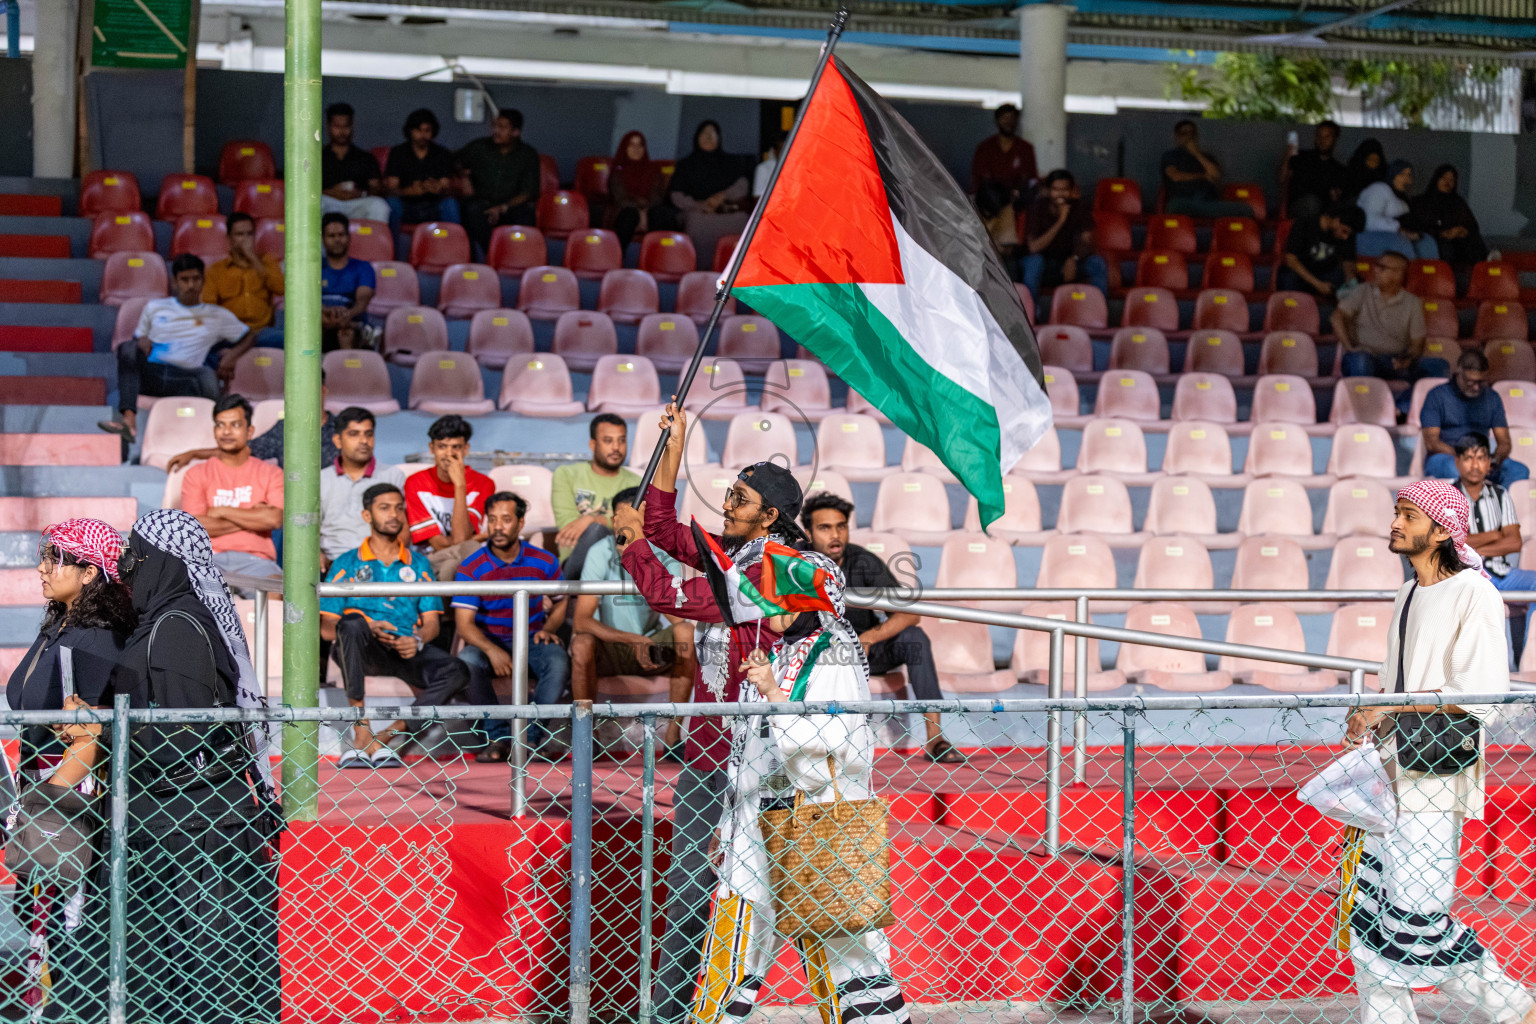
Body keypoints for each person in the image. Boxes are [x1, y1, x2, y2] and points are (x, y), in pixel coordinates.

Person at [609, 402, 803, 1024]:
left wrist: (629, 545)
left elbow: (669, 590)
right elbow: (667, 532)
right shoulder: (735, 555)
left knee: (780, 900)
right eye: (729, 492)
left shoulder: (774, 572)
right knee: (693, 888)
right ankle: (671, 1014)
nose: (728, 503)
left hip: (764, 761)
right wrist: (676, 444)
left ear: (770, 516)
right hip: (707, 752)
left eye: (740, 499)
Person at [58, 509, 279, 1024]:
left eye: (137, 555)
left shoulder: (176, 627)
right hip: (170, 823)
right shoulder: (158, 622)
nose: (128, 566)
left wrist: (97, 726)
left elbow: (177, 742)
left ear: (166, 563)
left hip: (196, 831)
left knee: (207, 976)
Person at [1345, 480, 1534, 1024]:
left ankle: (1512, 1005)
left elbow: (1482, 696)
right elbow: (1396, 684)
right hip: (1384, 777)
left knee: (1416, 918)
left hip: (1435, 779)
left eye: (1408, 515)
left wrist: (1392, 710)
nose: (1395, 523)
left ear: (1443, 529)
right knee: (1370, 918)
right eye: (1395, 513)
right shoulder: (1406, 595)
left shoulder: (1475, 593)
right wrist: (1371, 715)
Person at [693, 558, 911, 1024]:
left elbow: (831, 750)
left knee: (847, 955)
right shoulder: (779, 652)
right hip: (755, 824)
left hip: (817, 822)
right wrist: (729, 821)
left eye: (775, 595)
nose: (763, 604)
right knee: (734, 947)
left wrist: (773, 693)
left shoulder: (836, 654)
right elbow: (749, 748)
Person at [5, 519, 134, 1011]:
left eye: (55, 559)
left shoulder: (96, 638)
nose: (41, 568)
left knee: (65, 921)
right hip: (43, 790)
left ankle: (71, 1011)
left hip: (66, 800)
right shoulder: (61, 624)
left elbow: (89, 742)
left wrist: (41, 804)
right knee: (42, 919)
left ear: (88, 573)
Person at [798, 492, 962, 763]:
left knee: (915, 638)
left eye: (841, 526)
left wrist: (870, 636)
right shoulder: (797, 561)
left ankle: (935, 739)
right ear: (809, 532)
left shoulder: (863, 561)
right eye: (825, 528)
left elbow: (909, 615)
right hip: (817, 654)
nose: (835, 535)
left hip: (864, 650)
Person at [321, 483, 468, 766]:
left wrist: (417, 641)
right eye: (384, 508)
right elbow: (328, 628)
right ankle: (361, 729)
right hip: (362, 651)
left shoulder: (419, 564)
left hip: (405, 650)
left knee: (458, 669)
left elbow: (432, 625)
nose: (394, 515)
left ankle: (388, 734)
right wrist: (368, 625)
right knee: (351, 623)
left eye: (399, 508)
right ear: (367, 515)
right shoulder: (347, 562)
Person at [570, 485, 694, 754]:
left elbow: (677, 616)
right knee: (581, 643)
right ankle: (586, 738)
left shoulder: (662, 554)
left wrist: (643, 562)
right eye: (619, 517)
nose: (623, 525)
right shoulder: (599, 551)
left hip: (650, 648)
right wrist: (633, 639)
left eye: (631, 518)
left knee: (685, 633)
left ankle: (673, 738)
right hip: (614, 647)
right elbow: (582, 621)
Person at [452, 491, 569, 763]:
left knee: (557, 659)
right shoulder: (472, 567)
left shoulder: (544, 561)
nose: (497, 527)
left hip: (531, 640)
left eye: (505, 519)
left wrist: (549, 627)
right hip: (489, 641)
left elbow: (562, 601)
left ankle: (529, 739)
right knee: (467, 659)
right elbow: (465, 626)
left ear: (520, 522)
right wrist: (492, 650)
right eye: (491, 520)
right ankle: (497, 738)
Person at [100, 254, 252, 444]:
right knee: (128, 348)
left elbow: (249, 336)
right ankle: (128, 423)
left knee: (207, 374)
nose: (191, 285)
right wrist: (142, 342)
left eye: (196, 279)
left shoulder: (218, 316)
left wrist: (232, 356)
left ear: (203, 281)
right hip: (152, 375)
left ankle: (217, 437)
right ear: (175, 282)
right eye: (185, 280)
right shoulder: (155, 307)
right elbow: (138, 343)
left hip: (186, 379)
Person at [179, 394, 284, 580]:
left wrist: (220, 510)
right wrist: (253, 516)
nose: (226, 431)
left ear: (250, 431)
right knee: (184, 587)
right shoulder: (196, 474)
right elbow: (196, 526)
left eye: (235, 425)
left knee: (276, 589)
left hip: (258, 561)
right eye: (220, 425)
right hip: (208, 559)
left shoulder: (271, 473)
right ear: (214, 430)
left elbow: (274, 518)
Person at [1453, 431, 1536, 663]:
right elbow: (1454, 544)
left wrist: (1474, 544)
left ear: (1489, 462)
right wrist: (1495, 534)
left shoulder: (1501, 494)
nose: (1475, 465)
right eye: (1468, 458)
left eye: (1481, 458)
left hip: (1502, 574)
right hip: (1466, 576)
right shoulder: (1449, 496)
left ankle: (1530, 658)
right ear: (1457, 461)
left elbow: (1514, 542)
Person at [1331, 251, 1447, 410]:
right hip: (1365, 356)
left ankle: (1400, 408)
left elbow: (1417, 344)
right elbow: (1337, 317)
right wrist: (1349, 347)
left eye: (1382, 267)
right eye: (1377, 266)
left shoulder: (1412, 303)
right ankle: (1367, 412)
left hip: (1394, 361)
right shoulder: (1363, 290)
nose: (1376, 271)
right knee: (1360, 360)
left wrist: (1408, 357)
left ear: (1398, 273)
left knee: (1439, 365)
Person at [165, 376, 338, 473]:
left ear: (323, 390)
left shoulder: (344, 428)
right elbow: (243, 451)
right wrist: (195, 453)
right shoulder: (285, 429)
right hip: (292, 507)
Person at [405, 414, 495, 586]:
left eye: (456, 447)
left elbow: (461, 540)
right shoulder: (415, 483)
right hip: (431, 559)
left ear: (466, 449)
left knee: (457, 564)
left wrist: (459, 486)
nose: (449, 454)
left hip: (466, 559)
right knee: (462, 558)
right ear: (431, 448)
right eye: (442, 447)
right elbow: (441, 544)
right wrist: (481, 537)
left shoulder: (484, 484)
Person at [1422, 350, 1529, 485]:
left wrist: (1493, 460)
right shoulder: (1437, 396)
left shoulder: (1492, 398)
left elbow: (1504, 442)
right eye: (1470, 382)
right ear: (1458, 372)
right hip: (1447, 457)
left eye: (1481, 382)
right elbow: (1432, 442)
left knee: (1519, 470)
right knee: (1458, 470)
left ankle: (1500, 504)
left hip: (1482, 458)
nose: (1477, 387)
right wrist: (1467, 459)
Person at [553, 413, 641, 576]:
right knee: (595, 531)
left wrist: (593, 519)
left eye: (621, 440)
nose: (616, 447)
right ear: (592, 444)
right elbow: (568, 527)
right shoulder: (566, 474)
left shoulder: (638, 482)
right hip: (576, 564)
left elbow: (641, 525)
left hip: (622, 563)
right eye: (608, 440)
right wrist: (610, 524)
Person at [319, 406, 406, 566]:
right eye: (354, 434)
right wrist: (316, 553)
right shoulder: (320, 479)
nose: (364, 441)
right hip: (331, 562)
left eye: (369, 434)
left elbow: (403, 530)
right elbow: (307, 528)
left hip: (379, 562)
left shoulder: (393, 476)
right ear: (338, 441)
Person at [457, 109, 541, 259]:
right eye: (495, 126)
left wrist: (503, 207)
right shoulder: (479, 147)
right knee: (471, 211)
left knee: (525, 216)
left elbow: (529, 192)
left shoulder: (528, 155)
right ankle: (492, 255)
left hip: (511, 206)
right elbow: (454, 160)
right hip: (482, 203)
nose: (496, 131)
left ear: (515, 131)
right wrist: (464, 177)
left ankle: (518, 260)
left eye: (502, 127)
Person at [668, 121, 750, 272]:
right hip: (695, 211)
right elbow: (676, 195)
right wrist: (700, 205)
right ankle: (700, 272)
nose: (708, 136)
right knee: (696, 222)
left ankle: (733, 272)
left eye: (712, 133)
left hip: (724, 210)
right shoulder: (685, 164)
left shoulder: (732, 162)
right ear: (696, 137)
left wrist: (722, 196)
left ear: (719, 138)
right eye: (704, 133)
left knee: (743, 220)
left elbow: (742, 185)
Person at [1021, 169, 1107, 305]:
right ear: (1049, 190)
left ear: (1071, 190)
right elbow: (1034, 247)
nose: (1060, 194)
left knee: (1097, 263)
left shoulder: (1079, 207)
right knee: (1034, 262)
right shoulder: (1037, 208)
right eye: (1056, 189)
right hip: (1045, 265)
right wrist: (1061, 220)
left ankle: (1098, 310)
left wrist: (1074, 258)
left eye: (1065, 189)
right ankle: (1031, 312)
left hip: (1069, 262)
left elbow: (1088, 241)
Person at [202, 212, 285, 333]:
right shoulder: (216, 270)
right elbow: (210, 308)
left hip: (262, 331)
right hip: (232, 333)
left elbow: (280, 289)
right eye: (240, 234)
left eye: (250, 234)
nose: (246, 239)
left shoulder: (267, 261)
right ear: (229, 238)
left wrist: (254, 260)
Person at [384, 107, 460, 232]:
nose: (423, 135)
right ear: (410, 131)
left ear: (433, 131)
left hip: (433, 206)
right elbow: (391, 188)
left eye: (427, 130)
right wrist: (410, 191)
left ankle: (451, 249)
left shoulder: (442, 153)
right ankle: (392, 250)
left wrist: (438, 188)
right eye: (418, 130)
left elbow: (446, 186)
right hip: (406, 206)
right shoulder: (398, 153)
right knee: (391, 204)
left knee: (450, 205)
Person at [1159, 120, 1253, 220]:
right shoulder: (1171, 155)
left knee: (1245, 209)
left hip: (1208, 201)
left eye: (1192, 133)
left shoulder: (1207, 157)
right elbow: (1175, 176)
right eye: (1184, 133)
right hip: (1184, 200)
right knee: (1176, 206)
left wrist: (1196, 153)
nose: (1189, 137)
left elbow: (1215, 175)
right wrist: (1203, 176)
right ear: (1177, 137)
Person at [321, 101, 392, 225]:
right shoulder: (317, 156)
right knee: (311, 203)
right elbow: (306, 190)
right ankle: (314, 244)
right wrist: (333, 192)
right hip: (329, 202)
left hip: (356, 203)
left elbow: (376, 189)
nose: (342, 131)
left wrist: (361, 193)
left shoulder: (365, 157)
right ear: (328, 126)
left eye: (346, 126)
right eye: (337, 126)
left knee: (379, 206)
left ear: (352, 126)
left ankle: (373, 244)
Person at [1356, 160, 1438, 260]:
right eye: (1402, 174)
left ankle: (1426, 274)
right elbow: (1368, 220)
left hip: (1399, 236)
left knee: (1427, 242)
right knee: (1401, 244)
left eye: (1409, 175)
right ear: (1393, 174)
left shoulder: (1403, 199)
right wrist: (1399, 229)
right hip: (1371, 236)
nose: (1407, 180)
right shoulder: (1378, 189)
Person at [1277, 202, 1364, 296]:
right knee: (1287, 277)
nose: (1345, 237)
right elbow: (1291, 260)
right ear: (1336, 220)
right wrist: (1318, 284)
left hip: (1326, 273)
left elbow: (1348, 262)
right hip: (1302, 272)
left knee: (1349, 280)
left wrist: (1350, 281)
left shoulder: (1347, 236)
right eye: (1344, 231)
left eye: (1348, 234)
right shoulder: (1304, 223)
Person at [320, 212, 378, 352]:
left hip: (352, 322)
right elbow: (308, 300)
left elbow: (362, 302)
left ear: (349, 237)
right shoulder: (312, 268)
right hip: (320, 323)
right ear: (323, 239)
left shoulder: (363, 268)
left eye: (341, 235)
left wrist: (347, 315)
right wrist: (326, 311)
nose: (337, 240)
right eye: (331, 236)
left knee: (348, 333)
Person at [1411, 165, 1488, 269]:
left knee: (1474, 241)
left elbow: (1471, 225)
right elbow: (1417, 226)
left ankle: (1483, 274)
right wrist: (1441, 233)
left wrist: (1462, 231)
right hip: (1434, 241)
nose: (1447, 182)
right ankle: (1443, 279)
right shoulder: (1421, 202)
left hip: (1457, 243)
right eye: (1444, 178)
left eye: (1451, 180)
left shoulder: (1457, 202)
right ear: (1436, 179)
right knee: (1445, 247)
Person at [607, 130, 671, 252]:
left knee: (660, 214)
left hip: (650, 209)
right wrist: (640, 213)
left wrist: (646, 212)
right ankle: (618, 257)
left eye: (640, 144)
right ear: (625, 148)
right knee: (629, 215)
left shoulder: (654, 170)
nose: (636, 148)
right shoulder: (618, 171)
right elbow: (620, 198)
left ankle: (656, 258)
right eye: (632, 145)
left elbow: (658, 196)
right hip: (625, 209)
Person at [970, 103, 1037, 203]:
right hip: (990, 203)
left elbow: (1032, 178)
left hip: (1017, 203)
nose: (1008, 122)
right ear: (997, 120)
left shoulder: (1025, 148)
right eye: (1004, 118)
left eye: (1012, 118)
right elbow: (978, 179)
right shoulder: (985, 147)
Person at [1281, 119, 1346, 220]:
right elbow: (1282, 178)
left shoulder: (1338, 169)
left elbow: (1337, 198)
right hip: (1301, 208)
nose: (1322, 140)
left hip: (1325, 214)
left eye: (1327, 137)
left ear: (1335, 139)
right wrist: (1288, 155)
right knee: (1311, 203)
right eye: (1319, 136)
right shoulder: (1301, 157)